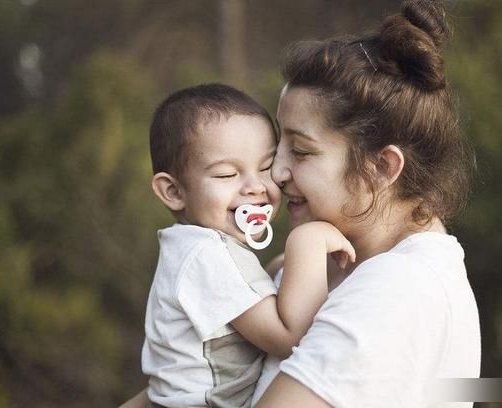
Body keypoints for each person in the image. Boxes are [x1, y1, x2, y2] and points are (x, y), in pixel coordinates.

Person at [252, 0, 481, 406]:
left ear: (382, 166)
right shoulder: (329, 266)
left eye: (301, 152)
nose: (277, 173)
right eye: (279, 147)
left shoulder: (400, 289)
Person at [142, 84, 355, 408]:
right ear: (174, 192)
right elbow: (288, 338)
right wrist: (308, 242)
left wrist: (276, 271)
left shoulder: (191, 248)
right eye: (227, 174)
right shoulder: (207, 255)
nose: (255, 186)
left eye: (266, 167)